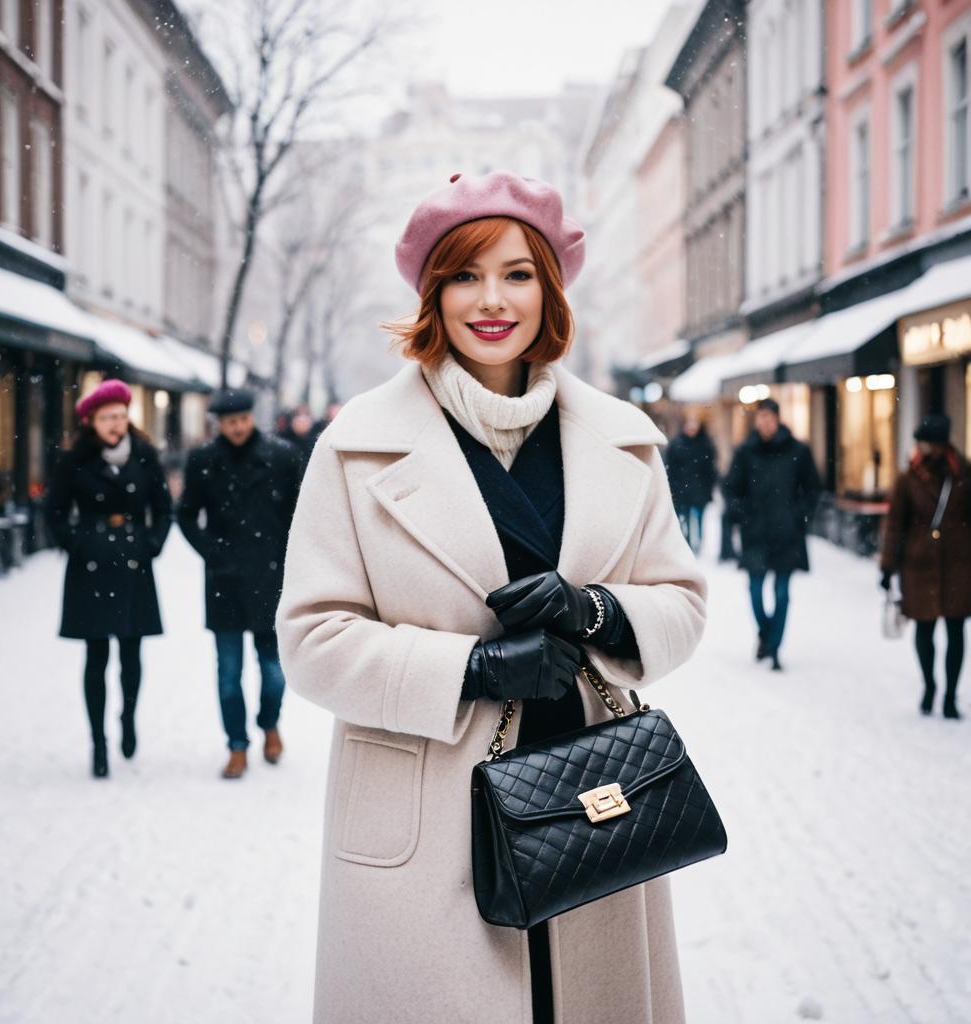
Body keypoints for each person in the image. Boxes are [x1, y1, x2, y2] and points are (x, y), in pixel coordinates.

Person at [275, 171, 707, 1024]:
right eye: (465, 275)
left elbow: (683, 602)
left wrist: (594, 612)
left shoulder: (621, 440)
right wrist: (472, 667)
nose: (492, 300)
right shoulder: (356, 444)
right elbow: (312, 640)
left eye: (517, 273)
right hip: (428, 808)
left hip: (590, 795)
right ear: (433, 296)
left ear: (551, 290)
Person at [44, 379, 172, 778]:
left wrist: (152, 544)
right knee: (96, 657)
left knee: (132, 654)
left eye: (120, 416)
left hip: (133, 559)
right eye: (106, 418)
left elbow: (164, 507)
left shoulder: (146, 455)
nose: (115, 424)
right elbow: (53, 510)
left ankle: (127, 719)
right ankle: (98, 742)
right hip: (91, 564)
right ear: (91, 421)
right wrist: (75, 543)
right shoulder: (74, 460)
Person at [177, 388, 303, 778]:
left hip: (271, 578)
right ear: (218, 423)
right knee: (228, 673)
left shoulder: (281, 457)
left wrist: (291, 563)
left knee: (274, 671)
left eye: (243, 419)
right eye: (229, 422)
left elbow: (301, 516)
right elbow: (185, 515)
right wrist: (212, 553)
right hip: (225, 581)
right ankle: (236, 745)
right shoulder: (202, 461)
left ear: (252, 418)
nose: (237, 427)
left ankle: (269, 724)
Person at [880, 414, 971, 719]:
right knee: (925, 627)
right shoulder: (908, 479)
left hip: (958, 563)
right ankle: (930, 685)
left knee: (956, 629)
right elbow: (895, 525)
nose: (919, 448)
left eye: (924, 442)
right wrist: (888, 565)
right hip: (918, 564)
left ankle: (950, 695)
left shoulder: (963, 474)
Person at [723, 397, 820, 671]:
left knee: (782, 593)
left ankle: (774, 647)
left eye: (769, 417)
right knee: (754, 591)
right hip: (755, 533)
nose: (765, 422)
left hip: (787, 534)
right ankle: (766, 634)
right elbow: (730, 488)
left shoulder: (797, 451)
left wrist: (799, 516)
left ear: (777, 419)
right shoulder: (745, 452)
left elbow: (813, 488)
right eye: (761, 417)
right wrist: (742, 514)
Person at [666, 416, 717, 553]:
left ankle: (698, 542)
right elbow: (671, 469)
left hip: (699, 491)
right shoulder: (677, 445)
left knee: (699, 519)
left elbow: (710, 471)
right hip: (683, 491)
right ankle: (688, 542)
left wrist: (708, 489)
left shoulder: (705, 445)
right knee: (686, 519)